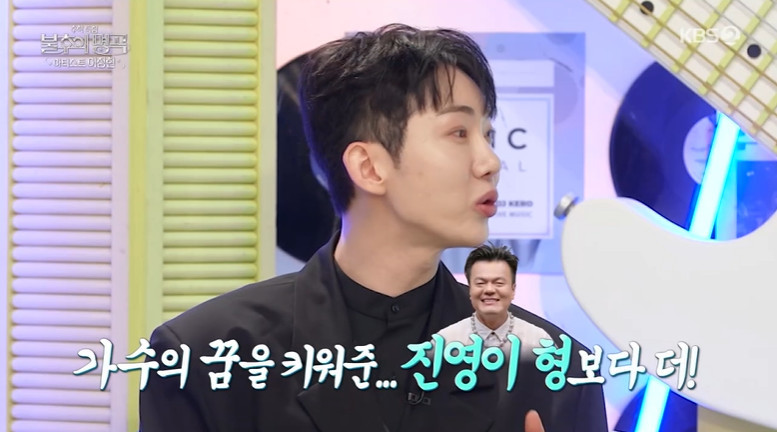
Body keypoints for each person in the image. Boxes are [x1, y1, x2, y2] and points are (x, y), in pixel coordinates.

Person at [139, 24, 606, 432]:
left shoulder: (556, 369)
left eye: (488, 134)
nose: (490, 162)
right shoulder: (205, 358)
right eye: (459, 133)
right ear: (369, 167)